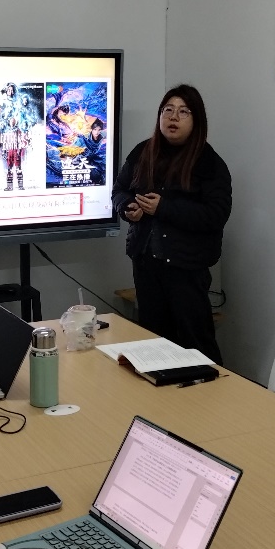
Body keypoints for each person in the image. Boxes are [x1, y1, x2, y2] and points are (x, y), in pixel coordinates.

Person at [111, 85, 231, 364]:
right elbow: (119, 190)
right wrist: (127, 208)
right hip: (146, 263)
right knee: (153, 342)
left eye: (183, 112)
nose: (173, 117)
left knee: (196, 344)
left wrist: (164, 208)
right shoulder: (143, 151)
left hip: (186, 269)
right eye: (168, 110)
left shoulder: (210, 163)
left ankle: (208, 390)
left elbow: (216, 214)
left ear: (196, 120)